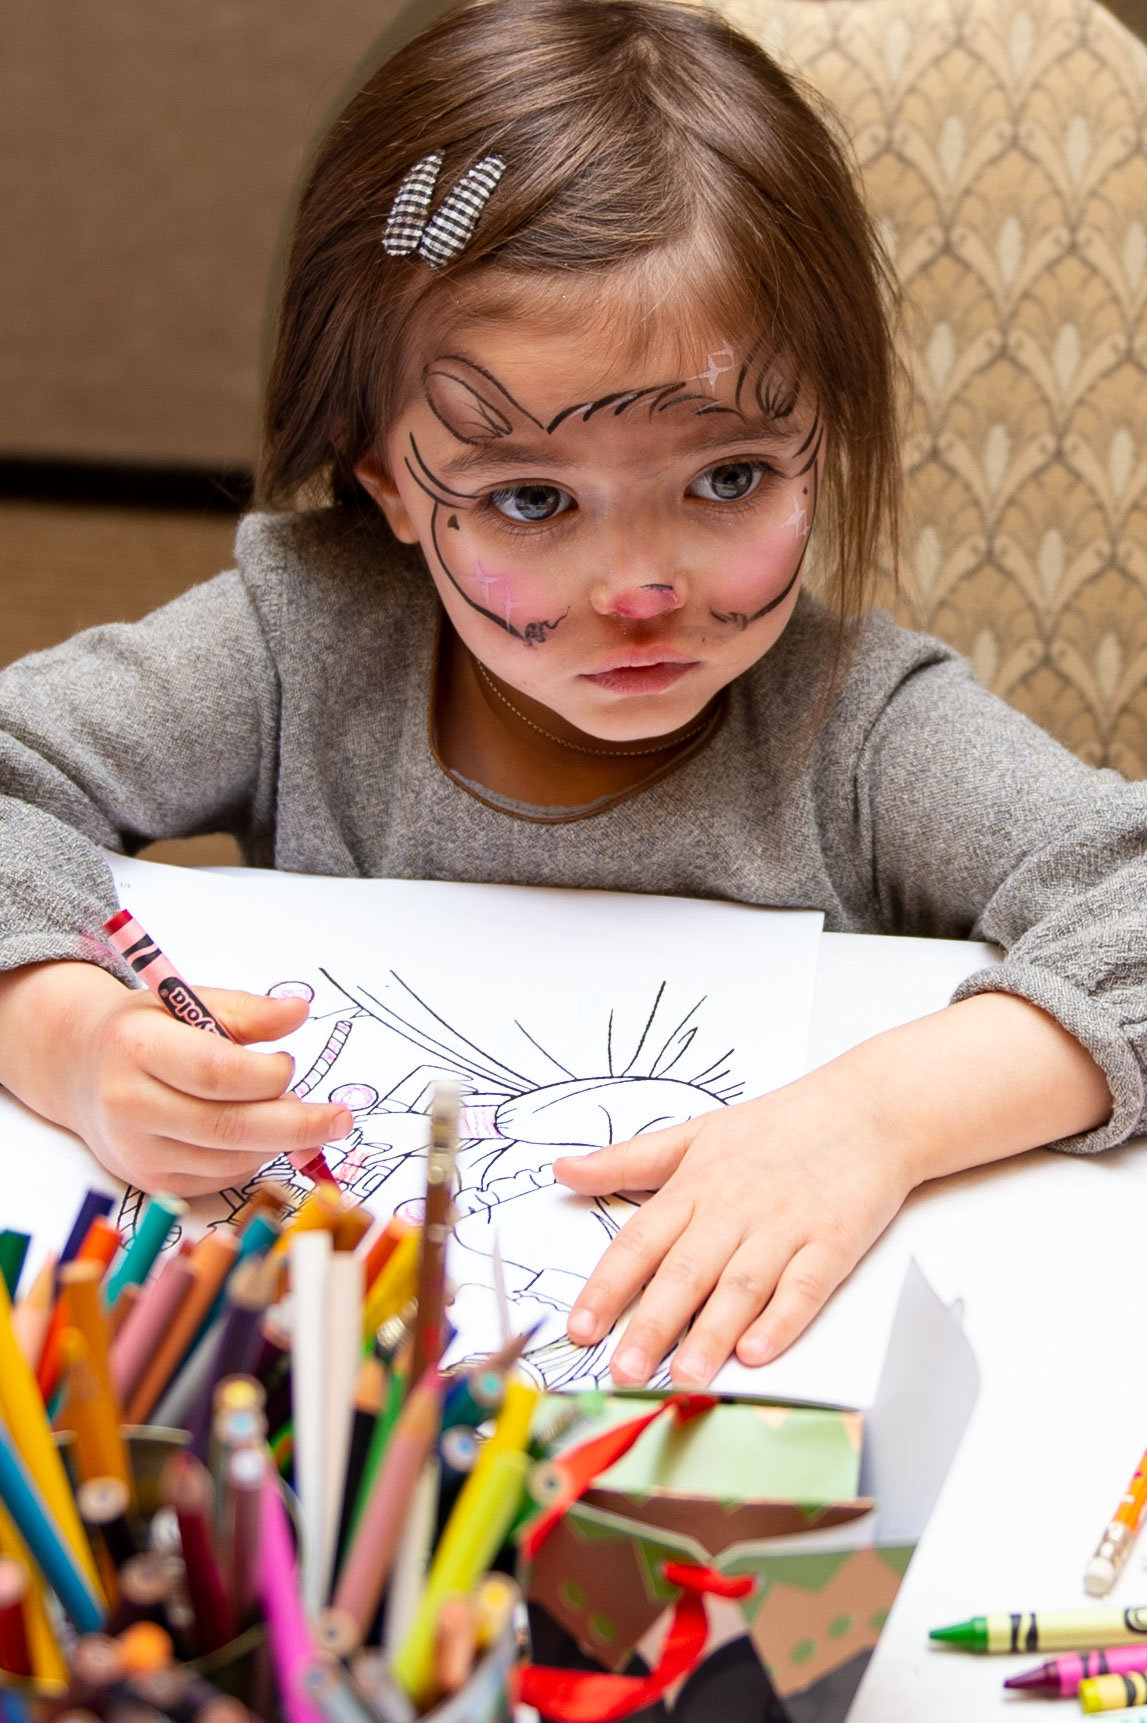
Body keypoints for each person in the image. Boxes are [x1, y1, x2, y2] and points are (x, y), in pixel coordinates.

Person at [0, 0, 1138, 1394]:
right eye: (532, 498)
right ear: (386, 484)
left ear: (819, 447)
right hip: (347, 1424)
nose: (641, 586)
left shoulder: (862, 728)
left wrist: (874, 1120)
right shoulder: (300, 642)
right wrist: (63, 1035)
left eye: (728, 479)